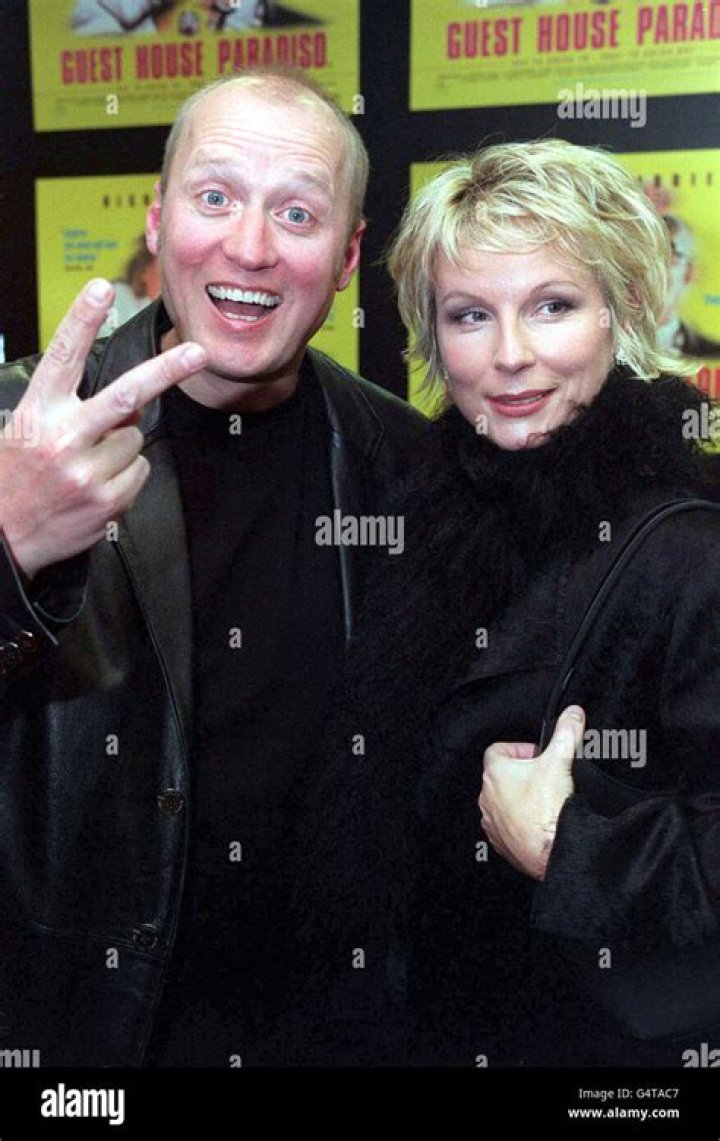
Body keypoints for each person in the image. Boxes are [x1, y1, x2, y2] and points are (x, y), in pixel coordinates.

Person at [0, 70, 425, 1067]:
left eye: (298, 213)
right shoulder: (17, 432)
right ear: (157, 221)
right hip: (84, 1031)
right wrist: (9, 544)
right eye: (217, 196)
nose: (251, 245)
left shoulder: (403, 459)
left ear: (348, 256)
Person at [297, 138, 720, 1067]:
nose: (511, 356)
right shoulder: (420, 513)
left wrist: (571, 844)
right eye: (470, 315)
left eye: (552, 306)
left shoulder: (690, 549)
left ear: (623, 309)